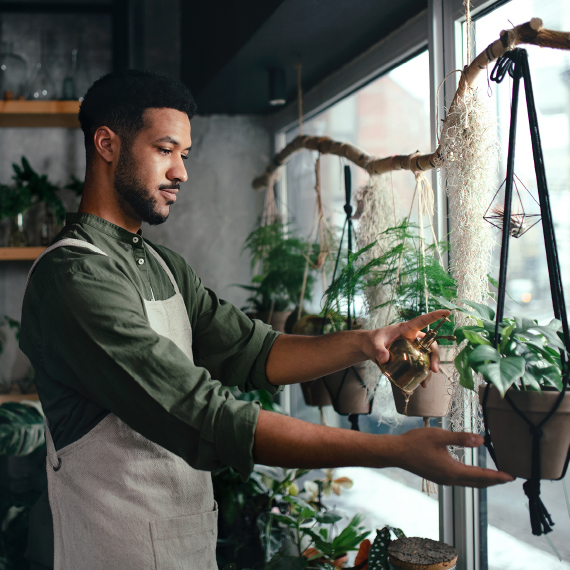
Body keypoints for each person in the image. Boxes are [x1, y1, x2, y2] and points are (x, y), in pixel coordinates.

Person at [20, 70, 512, 570]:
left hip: (184, 551)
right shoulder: (73, 278)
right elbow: (208, 419)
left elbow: (254, 351)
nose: (181, 172)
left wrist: (367, 342)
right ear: (107, 144)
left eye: (184, 155)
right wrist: (395, 452)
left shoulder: (165, 267)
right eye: (165, 149)